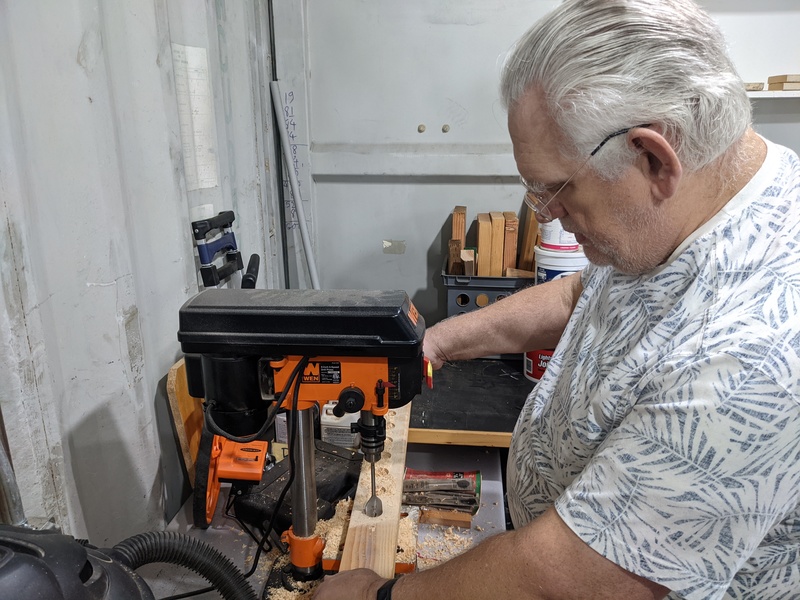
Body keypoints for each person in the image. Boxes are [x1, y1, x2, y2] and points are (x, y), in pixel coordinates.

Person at [315, 0, 800, 598]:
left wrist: (373, 596)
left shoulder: (755, 356)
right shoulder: (700, 203)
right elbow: (582, 295)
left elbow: (572, 580)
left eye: (556, 191)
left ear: (653, 158)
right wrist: (433, 343)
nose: (547, 215)